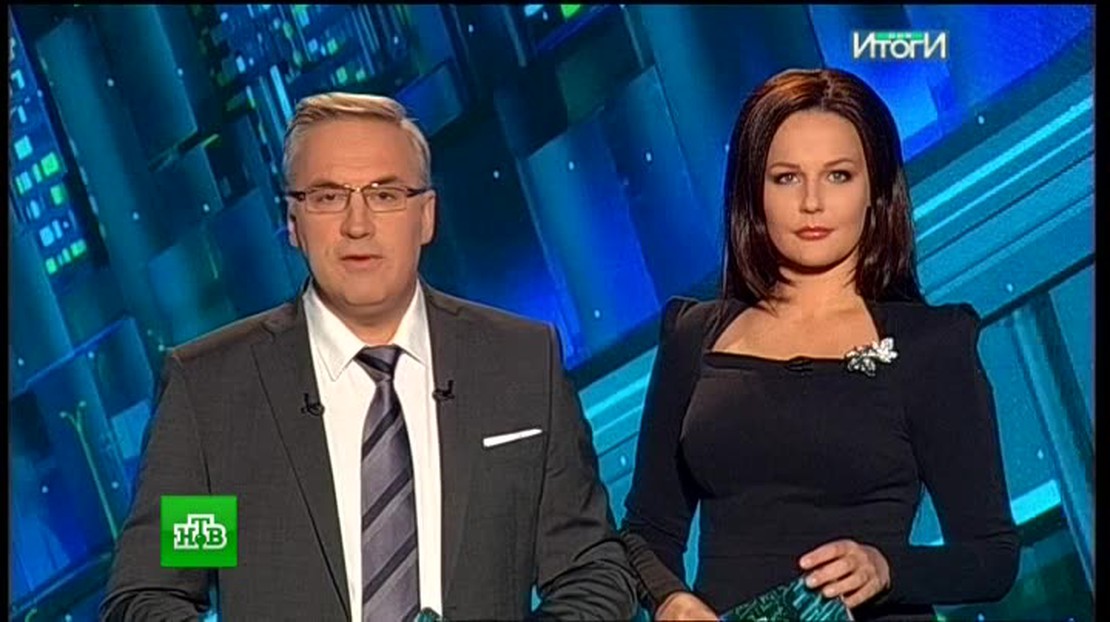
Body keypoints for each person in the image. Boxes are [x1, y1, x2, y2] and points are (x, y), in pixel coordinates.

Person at [101, 92, 637, 621]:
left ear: (426, 216)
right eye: (328, 197)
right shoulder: (215, 395)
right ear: (294, 222)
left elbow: (590, 572)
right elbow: (153, 595)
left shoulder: (517, 365)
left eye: (385, 195)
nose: (357, 224)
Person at [619, 68, 1019, 621]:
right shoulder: (692, 335)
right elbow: (646, 529)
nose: (812, 202)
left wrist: (886, 568)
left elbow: (992, 557)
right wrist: (670, 599)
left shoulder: (932, 344)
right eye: (786, 178)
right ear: (753, 192)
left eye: (838, 176)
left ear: (876, 190)